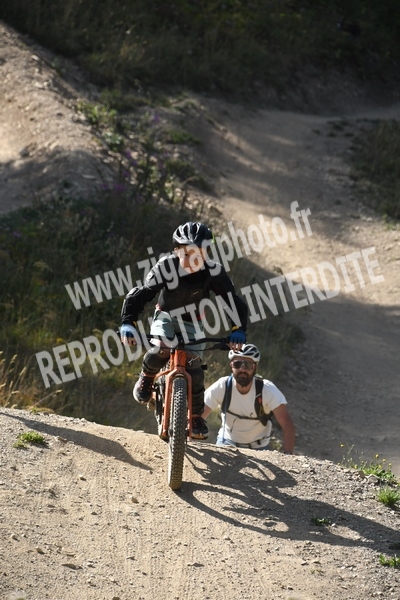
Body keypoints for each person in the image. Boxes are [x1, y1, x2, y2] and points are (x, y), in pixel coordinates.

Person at [120, 221, 248, 440]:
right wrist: (128, 322)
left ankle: (196, 416)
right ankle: (147, 377)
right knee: (161, 347)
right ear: (176, 251)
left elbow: (232, 302)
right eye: (186, 254)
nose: (193, 260)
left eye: (199, 254)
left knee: (194, 365)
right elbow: (142, 295)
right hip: (166, 316)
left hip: (194, 323)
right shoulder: (165, 266)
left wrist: (238, 330)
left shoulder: (214, 271)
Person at [202, 344, 295, 453]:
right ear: (231, 366)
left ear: (255, 367)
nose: (242, 369)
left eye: (248, 365)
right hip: (227, 442)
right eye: (237, 364)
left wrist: (288, 454)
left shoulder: (267, 389)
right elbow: (198, 416)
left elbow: (286, 423)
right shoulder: (222, 386)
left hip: (259, 447)